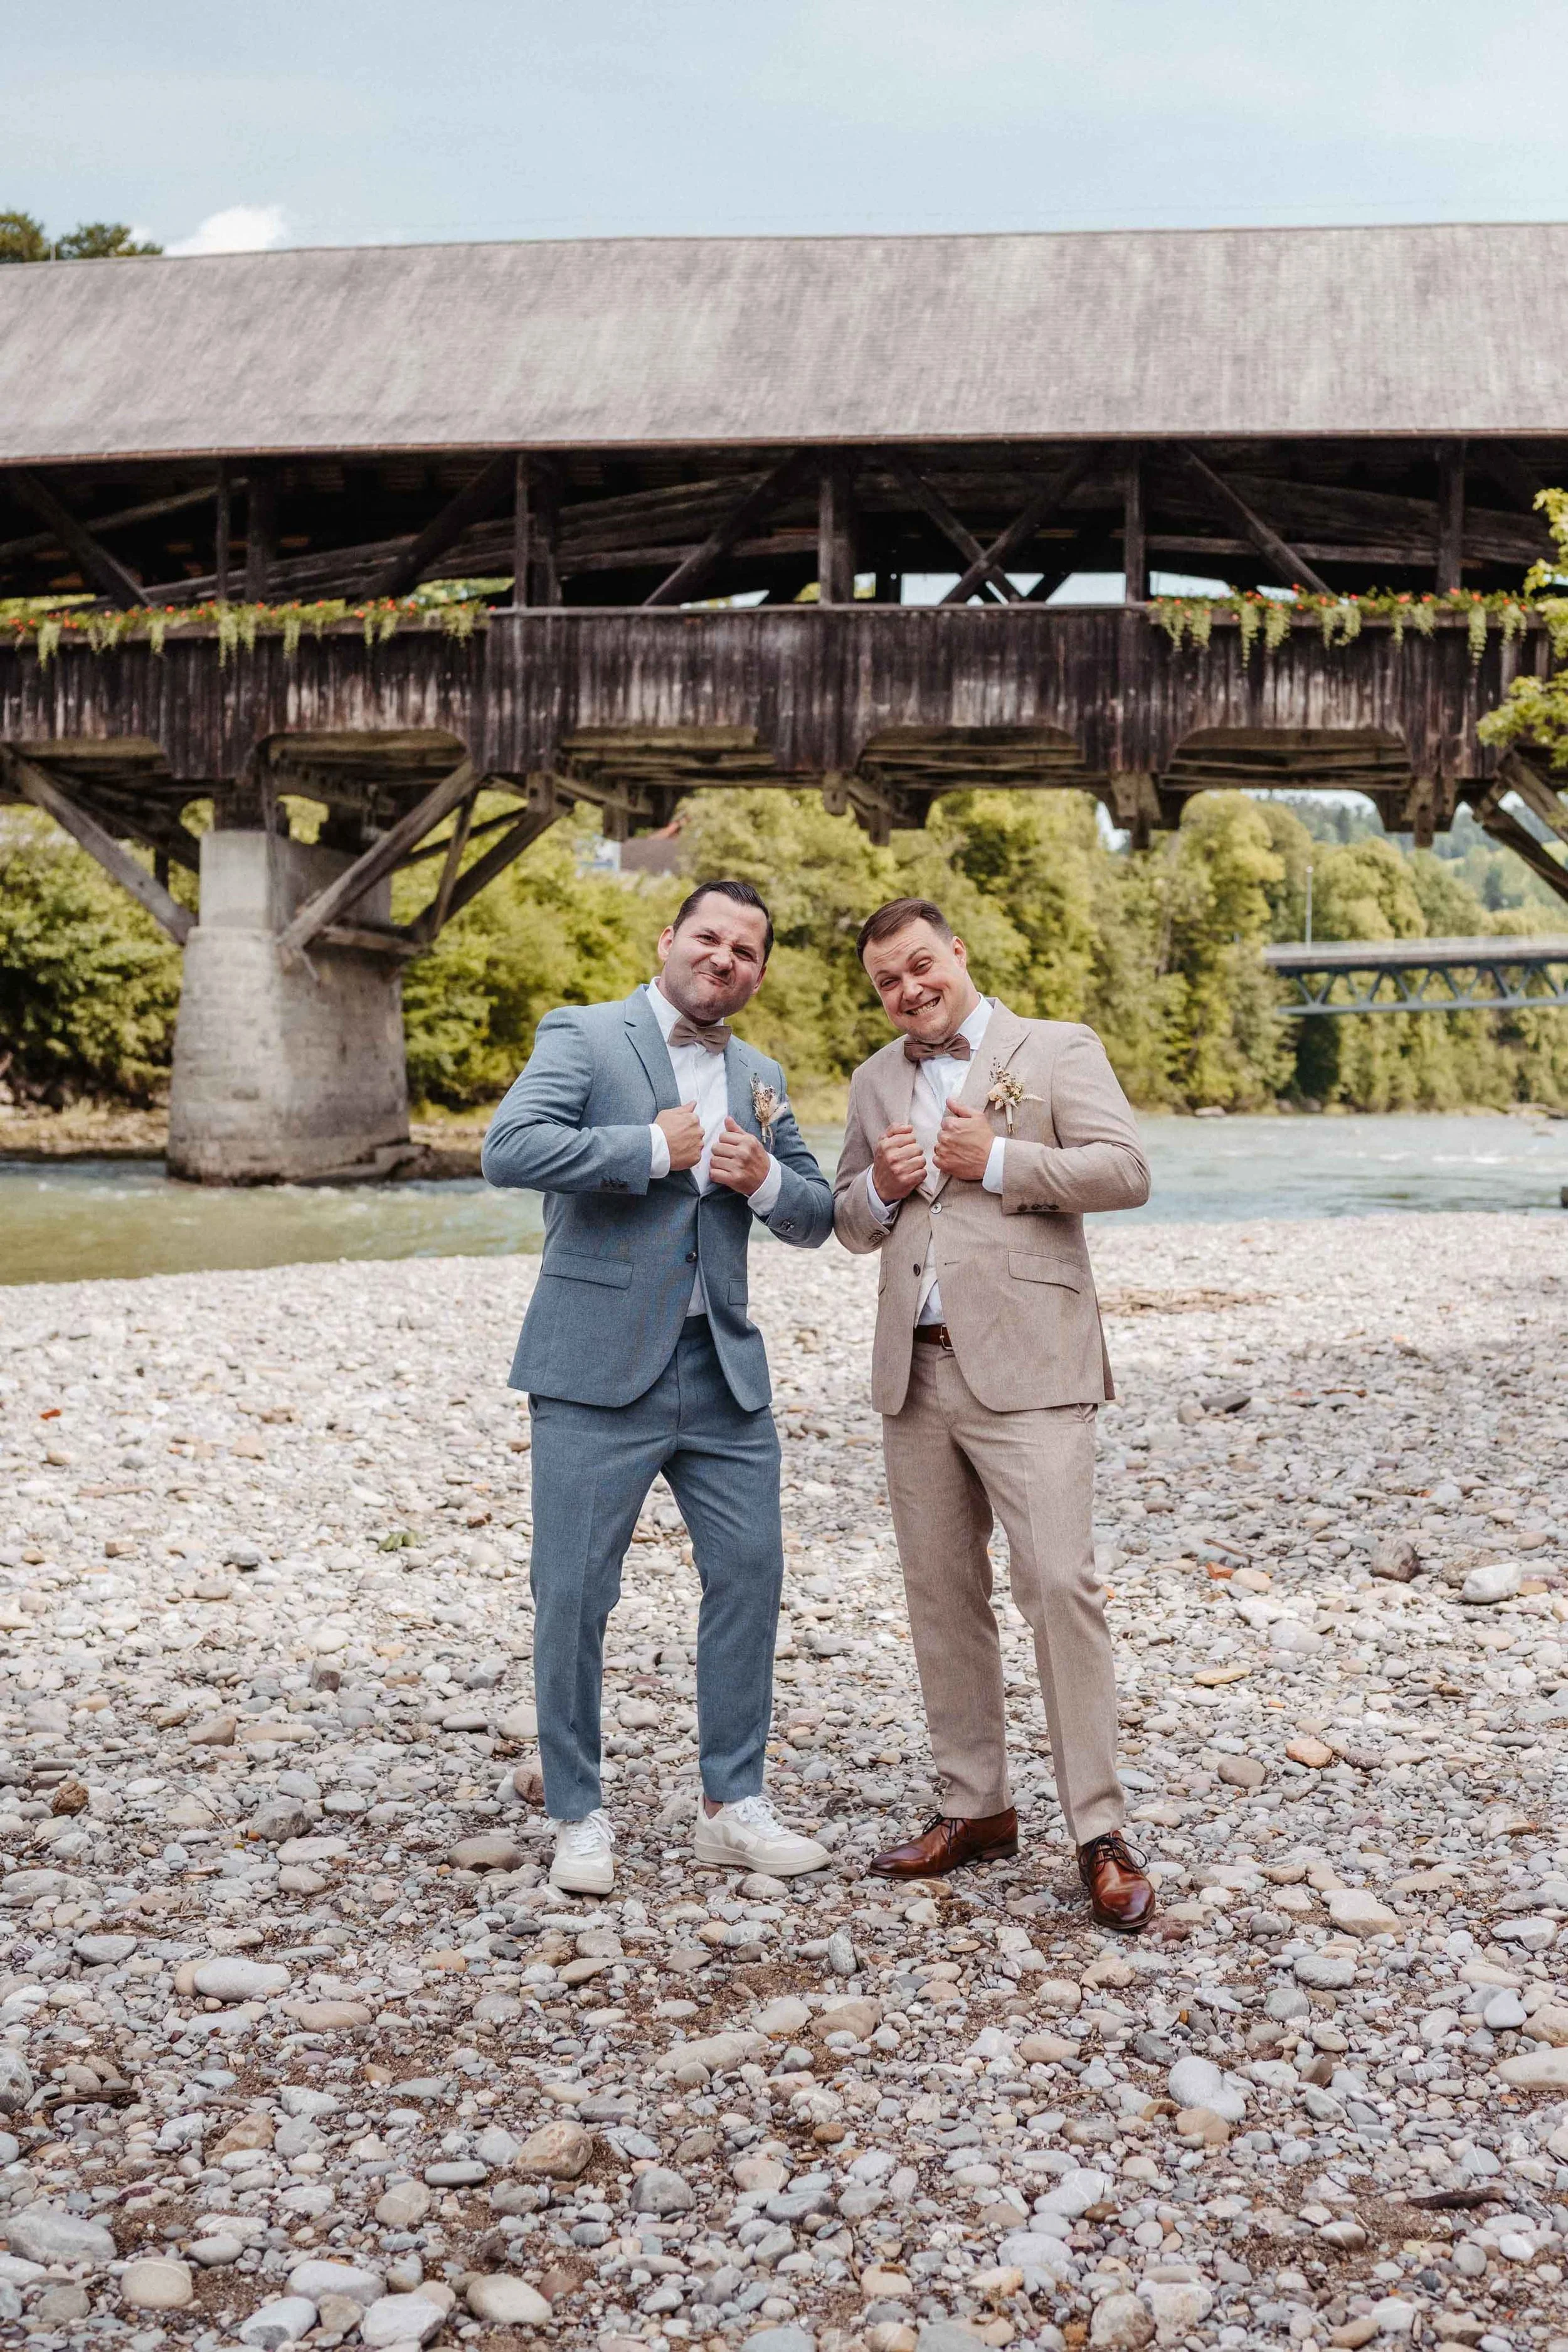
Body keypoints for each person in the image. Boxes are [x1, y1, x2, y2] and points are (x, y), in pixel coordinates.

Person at [482, 880, 835, 1897]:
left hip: (722, 1373)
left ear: (759, 974)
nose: (726, 960)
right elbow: (508, 1151)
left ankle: (733, 1806)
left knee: (750, 1576)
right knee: (575, 1594)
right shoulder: (588, 1036)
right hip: (595, 1368)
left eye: (748, 952)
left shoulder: (761, 1072)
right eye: (710, 939)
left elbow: (812, 1213)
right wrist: (651, 1148)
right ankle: (579, 1814)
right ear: (668, 940)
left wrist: (758, 1176)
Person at [832, 896, 1156, 1930]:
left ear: (958, 954)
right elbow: (847, 1221)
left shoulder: (1056, 1048)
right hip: (913, 1373)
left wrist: (1000, 1163)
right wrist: (879, 1189)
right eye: (888, 981)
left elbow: (1127, 1173)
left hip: (1035, 1369)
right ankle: (976, 1810)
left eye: (922, 966)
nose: (909, 990)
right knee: (940, 1595)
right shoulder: (874, 1079)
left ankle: (1098, 1830)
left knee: (1060, 1586)